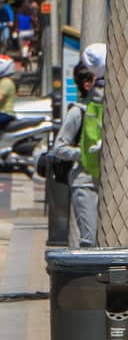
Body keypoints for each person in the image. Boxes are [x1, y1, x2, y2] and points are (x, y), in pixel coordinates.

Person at [54, 52, 104, 247]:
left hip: (108, 182)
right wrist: (84, 154)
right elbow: (59, 147)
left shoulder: (108, 111)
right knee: (89, 239)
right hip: (85, 183)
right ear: (88, 85)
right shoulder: (77, 112)